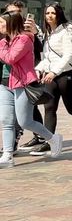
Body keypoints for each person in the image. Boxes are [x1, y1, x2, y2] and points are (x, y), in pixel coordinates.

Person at [0, 9, 62, 161]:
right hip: (5, 83)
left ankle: (53, 138)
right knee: (6, 120)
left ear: (11, 24)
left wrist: (1, 48)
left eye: (1, 23)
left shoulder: (24, 39)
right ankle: (8, 154)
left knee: (24, 121)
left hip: (23, 83)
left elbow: (11, 58)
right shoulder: (4, 41)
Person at [36, 2, 72, 138]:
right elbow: (49, 57)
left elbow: (68, 54)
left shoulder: (68, 29)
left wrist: (54, 72)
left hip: (67, 75)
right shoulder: (48, 32)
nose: (50, 16)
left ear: (59, 14)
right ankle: (49, 142)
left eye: (53, 13)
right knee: (49, 108)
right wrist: (38, 69)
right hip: (51, 76)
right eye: (47, 13)